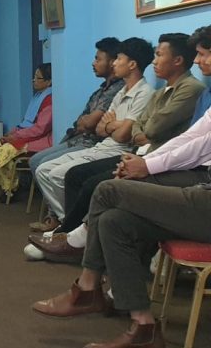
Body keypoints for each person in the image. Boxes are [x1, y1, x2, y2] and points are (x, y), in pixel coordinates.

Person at [28, 31, 206, 262]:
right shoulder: (161, 91)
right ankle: (73, 236)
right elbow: (132, 127)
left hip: (165, 161)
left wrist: (137, 144)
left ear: (177, 60)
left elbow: (151, 130)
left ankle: (75, 240)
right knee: (79, 177)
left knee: (101, 186)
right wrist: (131, 132)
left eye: (159, 55)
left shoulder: (190, 88)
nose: (198, 60)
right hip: (142, 153)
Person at [32, 38, 154, 224]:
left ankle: (70, 225)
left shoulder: (144, 93)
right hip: (102, 146)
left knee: (57, 174)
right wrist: (114, 125)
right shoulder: (121, 92)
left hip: (118, 150)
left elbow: (122, 135)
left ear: (132, 64)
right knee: (43, 170)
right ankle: (68, 222)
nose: (114, 63)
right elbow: (100, 129)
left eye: (118, 59)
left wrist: (111, 125)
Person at [27, 38, 123, 231]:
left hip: (92, 143)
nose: (93, 63)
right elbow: (81, 121)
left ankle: (63, 220)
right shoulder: (99, 91)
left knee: (45, 166)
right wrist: (86, 123)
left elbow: (92, 124)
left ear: (112, 61)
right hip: (77, 137)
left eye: (98, 59)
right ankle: (59, 216)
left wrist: (88, 123)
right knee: (35, 161)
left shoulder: (117, 90)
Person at [0, 64, 53, 201]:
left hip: (39, 140)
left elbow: (40, 129)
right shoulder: (37, 97)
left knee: (4, 152)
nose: (34, 80)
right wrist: (11, 133)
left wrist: (15, 136)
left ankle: (11, 189)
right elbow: (25, 122)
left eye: (38, 78)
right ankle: (9, 184)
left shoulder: (50, 100)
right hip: (24, 135)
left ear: (49, 82)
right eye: (34, 77)